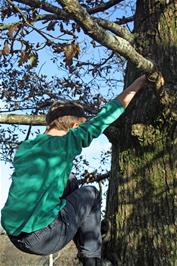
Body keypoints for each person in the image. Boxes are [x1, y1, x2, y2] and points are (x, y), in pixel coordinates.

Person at [1, 75, 148, 266]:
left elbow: (46, 182)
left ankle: (88, 231)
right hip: (43, 236)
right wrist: (139, 83)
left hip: (15, 234)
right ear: (74, 126)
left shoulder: (26, 147)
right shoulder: (66, 141)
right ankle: (92, 260)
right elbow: (106, 115)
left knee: (70, 180)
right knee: (91, 193)